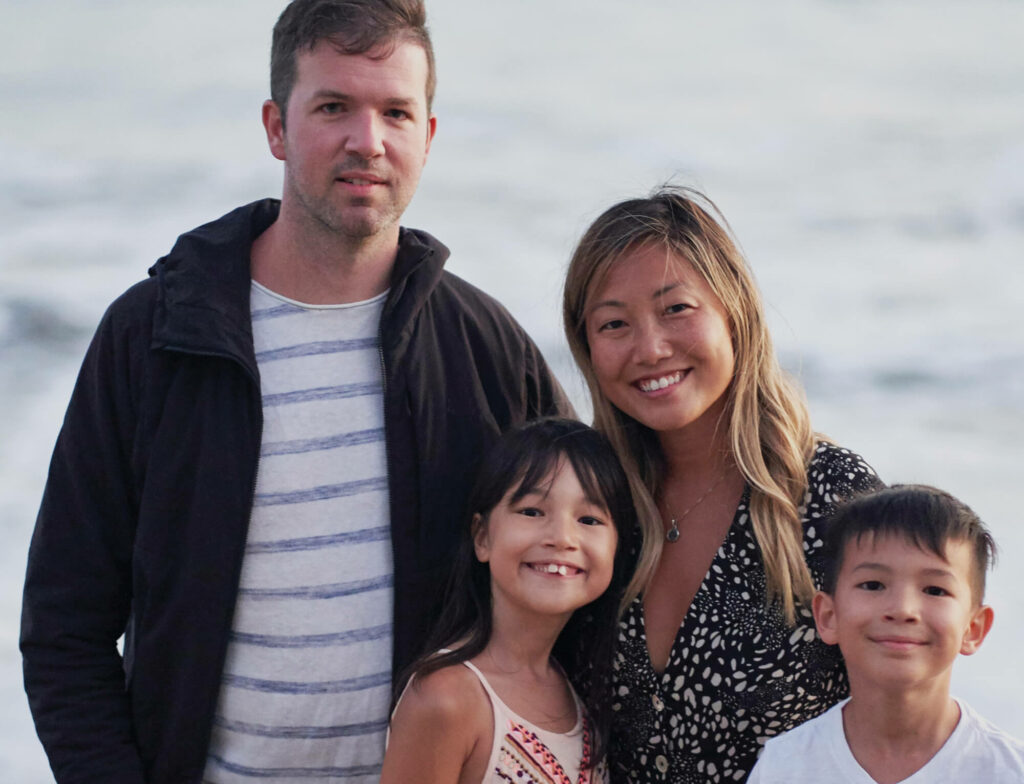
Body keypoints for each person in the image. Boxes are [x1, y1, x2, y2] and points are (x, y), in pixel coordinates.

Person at [20, 1, 569, 782]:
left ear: (428, 137)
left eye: (396, 113)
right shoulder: (155, 337)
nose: (367, 142)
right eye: (334, 107)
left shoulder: (483, 348)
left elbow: (580, 567)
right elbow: (64, 627)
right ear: (277, 126)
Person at [561, 186, 884, 782]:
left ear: (733, 308)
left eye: (676, 309)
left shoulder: (834, 499)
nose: (650, 348)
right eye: (614, 324)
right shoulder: (587, 504)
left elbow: (908, 713)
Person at [380, 418, 636, 784]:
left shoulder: (580, 688)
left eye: (589, 519)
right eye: (532, 512)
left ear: (617, 549)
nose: (562, 537)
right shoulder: (446, 699)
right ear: (482, 537)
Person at [748, 484, 1024, 783]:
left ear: (974, 628)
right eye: (873, 585)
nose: (903, 609)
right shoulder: (786, 766)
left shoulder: (1007, 771)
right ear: (828, 616)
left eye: (935, 590)